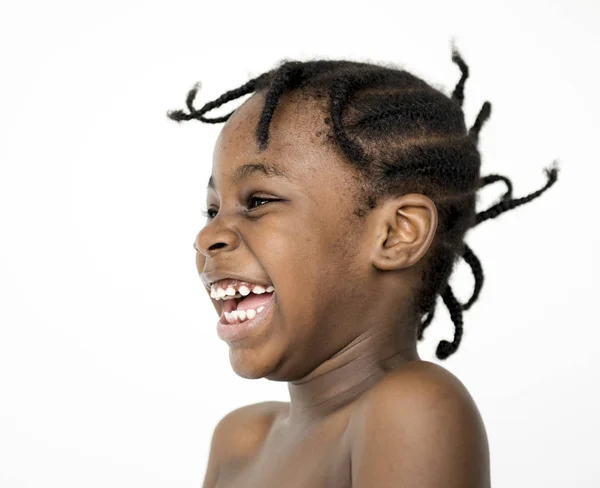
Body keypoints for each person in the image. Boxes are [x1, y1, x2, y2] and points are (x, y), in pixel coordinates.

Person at [168, 46, 558, 488]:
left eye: (257, 201)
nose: (208, 236)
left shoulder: (412, 408)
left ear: (396, 234)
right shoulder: (240, 439)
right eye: (212, 209)